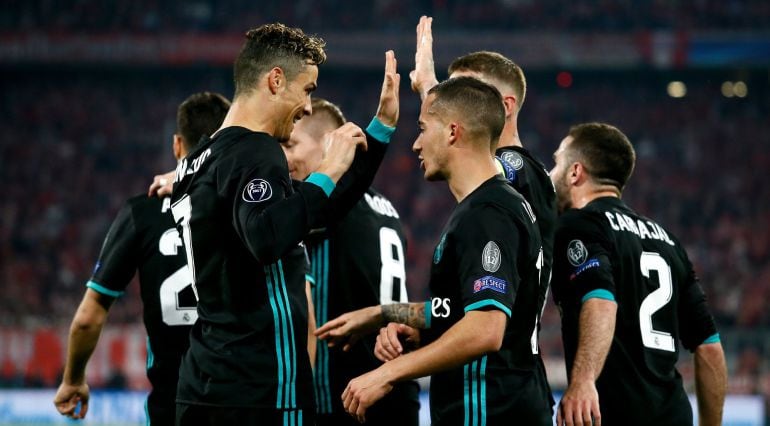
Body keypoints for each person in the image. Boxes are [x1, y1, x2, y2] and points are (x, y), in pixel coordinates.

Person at [169, 23, 400, 426]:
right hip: (260, 391)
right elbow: (269, 236)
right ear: (276, 81)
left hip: (206, 385)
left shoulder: (199, 161)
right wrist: (328, 167)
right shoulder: (256, 149)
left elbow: (313, 215)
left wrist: (378, 133)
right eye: (307, 89)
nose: (309, 107)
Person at [316, 77, 553, 425]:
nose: (415, 145)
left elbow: (485, 329)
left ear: (453, 132)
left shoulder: (488, 214)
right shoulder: (491, 207)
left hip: (488, 409)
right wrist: (384, 314)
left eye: (423, 129)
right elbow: (458, 310)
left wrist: (389, 373)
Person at [53, 91, 231, 424]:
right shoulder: (240, 205)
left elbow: (89, 316)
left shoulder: (142, 211)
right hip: (240, 400)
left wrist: (73, 378)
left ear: (177, 145)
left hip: (171, 404)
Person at [409, 16, 556, 384]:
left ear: (505, 106)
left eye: (465, 90)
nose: (450, 100)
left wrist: (429, 89)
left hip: (495, 389)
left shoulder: (514, 168)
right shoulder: (513, 181)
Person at [549, 122, 727, 426]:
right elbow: (710, 348)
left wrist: (583, 381)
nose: (551, 174)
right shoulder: (668, 240)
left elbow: (602, 301)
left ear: (575, 172)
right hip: (673, 416)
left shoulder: (580, 225)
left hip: (616, 415)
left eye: (556, 163)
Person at [281, 98, 419, 426]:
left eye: (291, 144)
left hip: (347, 397)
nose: (283, 157)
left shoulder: (325, 206)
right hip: (396, 389)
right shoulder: (385, 206)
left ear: (331, 144)